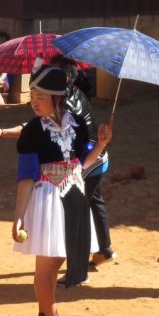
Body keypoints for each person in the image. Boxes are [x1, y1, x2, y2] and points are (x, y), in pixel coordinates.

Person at [11, 65, 111, 316]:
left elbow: (82, 164)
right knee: (46, 264)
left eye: (39, 95)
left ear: (57, 97)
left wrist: (101, 144)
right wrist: (18, 217)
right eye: (32, 94)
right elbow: (26, 177)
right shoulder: (33, 130)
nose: (33, 100)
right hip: (47, 198)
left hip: (74, 195)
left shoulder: (77, 124)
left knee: (57, 260)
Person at [51, 55, 115, 269]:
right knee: (93, 201)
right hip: (98, 155)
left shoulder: (65, 104)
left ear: (67, 79)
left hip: (89, 159)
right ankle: (104, 249)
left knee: (76, 209)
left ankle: (78, 265)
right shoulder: (74, 93)